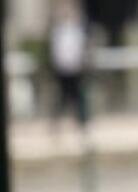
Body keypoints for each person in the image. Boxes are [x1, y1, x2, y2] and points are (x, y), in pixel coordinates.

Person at [49, 0, 90, 131]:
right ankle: (56, 124)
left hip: (75, 70)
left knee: (79, 99)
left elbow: (81, 50)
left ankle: (82, 124)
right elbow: (56, 52)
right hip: (63, 70)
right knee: (62, 98)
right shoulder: (58, 31)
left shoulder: (77, 30)